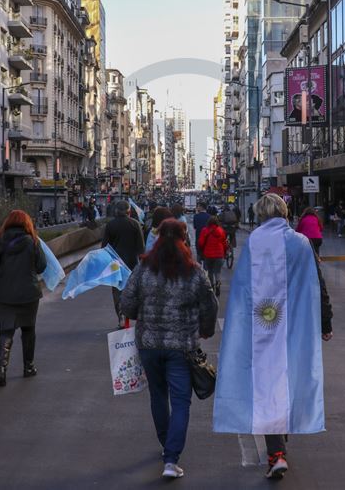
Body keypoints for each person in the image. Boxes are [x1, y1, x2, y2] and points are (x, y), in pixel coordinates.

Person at [213, 193, 332, 480]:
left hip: (261, 327)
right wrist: (325, 322)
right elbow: (317, 284)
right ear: (284, 212)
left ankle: (276, 451)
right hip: (295, 325)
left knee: (266, 383)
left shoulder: (254, 242)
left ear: (260, 215)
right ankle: (280, 438)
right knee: (290, 377)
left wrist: (239, 329)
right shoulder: (301, 243)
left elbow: (242, 290)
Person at [119, 218, 217, 480]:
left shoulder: (143, 269)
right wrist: (205, 330)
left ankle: (166, 445)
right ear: (184, 239)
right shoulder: (194, 271)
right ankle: (171, 459)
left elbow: (126, 304)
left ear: (158, 237)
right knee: (181, 402)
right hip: (181, 347)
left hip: (149, 345)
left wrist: (143, 312)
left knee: (158, 396)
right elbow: (209, 304)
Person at [0, 210, 47, 386]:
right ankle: (28, 367)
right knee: (28, 329)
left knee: (5, 331)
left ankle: (1, 369)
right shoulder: (33, 241)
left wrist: (6, 272)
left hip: (3, 293)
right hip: (28, 292)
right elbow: (41, 266)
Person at [101, 200, 146, 329]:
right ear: (129, 211)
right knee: (132, 290)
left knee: (117, 290)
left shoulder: (110, 225)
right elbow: (141, 248)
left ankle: (120, 316)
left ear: (116, 211)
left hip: (115, 264)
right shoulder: (135, 224)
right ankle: (129, 315)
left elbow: (104, 246)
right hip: (132, 263)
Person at [198, 215, 227, 295]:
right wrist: (224, 252)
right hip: (219, 255)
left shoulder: (205, 230)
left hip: (208, 255)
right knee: (217, 272)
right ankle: (218, 285)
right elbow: (224, 243)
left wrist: (201, 249)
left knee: (210, 271)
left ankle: (212, 287)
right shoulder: (221, 230)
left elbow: (200, 243)